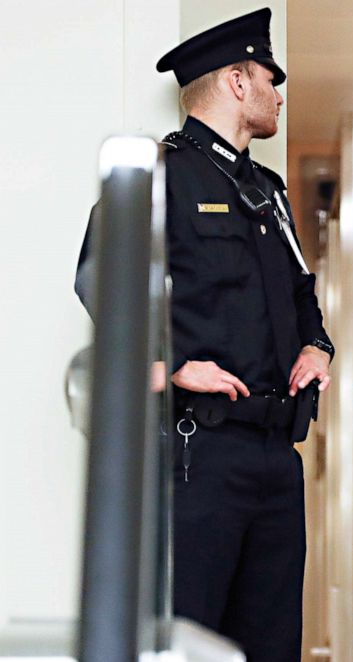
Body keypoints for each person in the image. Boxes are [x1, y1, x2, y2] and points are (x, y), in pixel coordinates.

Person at [75, 9, 332, 661]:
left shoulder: (268, 192)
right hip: (200, 454)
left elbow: (303, 296)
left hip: (277, 458)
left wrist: (317, 346)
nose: (278, 93)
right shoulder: (161, 174)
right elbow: (99, 281)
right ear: (238, 82)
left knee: (272, 647)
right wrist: (174, 365)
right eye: (271, 79)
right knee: (188, 644)